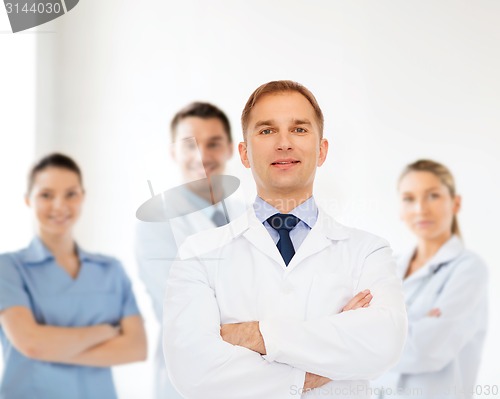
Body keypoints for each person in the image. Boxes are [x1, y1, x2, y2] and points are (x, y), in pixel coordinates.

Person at [163, 80, 408, 399]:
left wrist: (255, 334)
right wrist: (333, 354)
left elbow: (384, 342)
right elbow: (192, 373)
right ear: (245, 153)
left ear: (322, 150)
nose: (283, 143)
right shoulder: (198, 253)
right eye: (266, 131)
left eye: (299, 130)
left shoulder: (367, 251)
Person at [0, 153, 147, 399]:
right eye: (46, 195)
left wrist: (49, 349)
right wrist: (105, 332)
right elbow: (31, 343)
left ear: (83, 197)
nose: (60, 205)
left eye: (71, 194)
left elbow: (136, 348)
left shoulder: (111, 270)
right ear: (28, 200)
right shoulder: (9, 268)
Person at [135, 102, 245, 399]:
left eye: (213, 144)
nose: (202, 156)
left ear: (231, 149)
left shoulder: (249, 217)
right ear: (174, 152)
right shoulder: (156, 223)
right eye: (189, 145)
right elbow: (185, 311)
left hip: (250, 382)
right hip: (185, 385)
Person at [371, 160, 489, 399]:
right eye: (409, 198)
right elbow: (347, 328)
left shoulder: (469, 269)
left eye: (433, 196)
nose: (420, 209)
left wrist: (365, 336)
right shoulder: (388, 265)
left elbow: (426, 350)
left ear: (455, 203)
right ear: (400, 210)